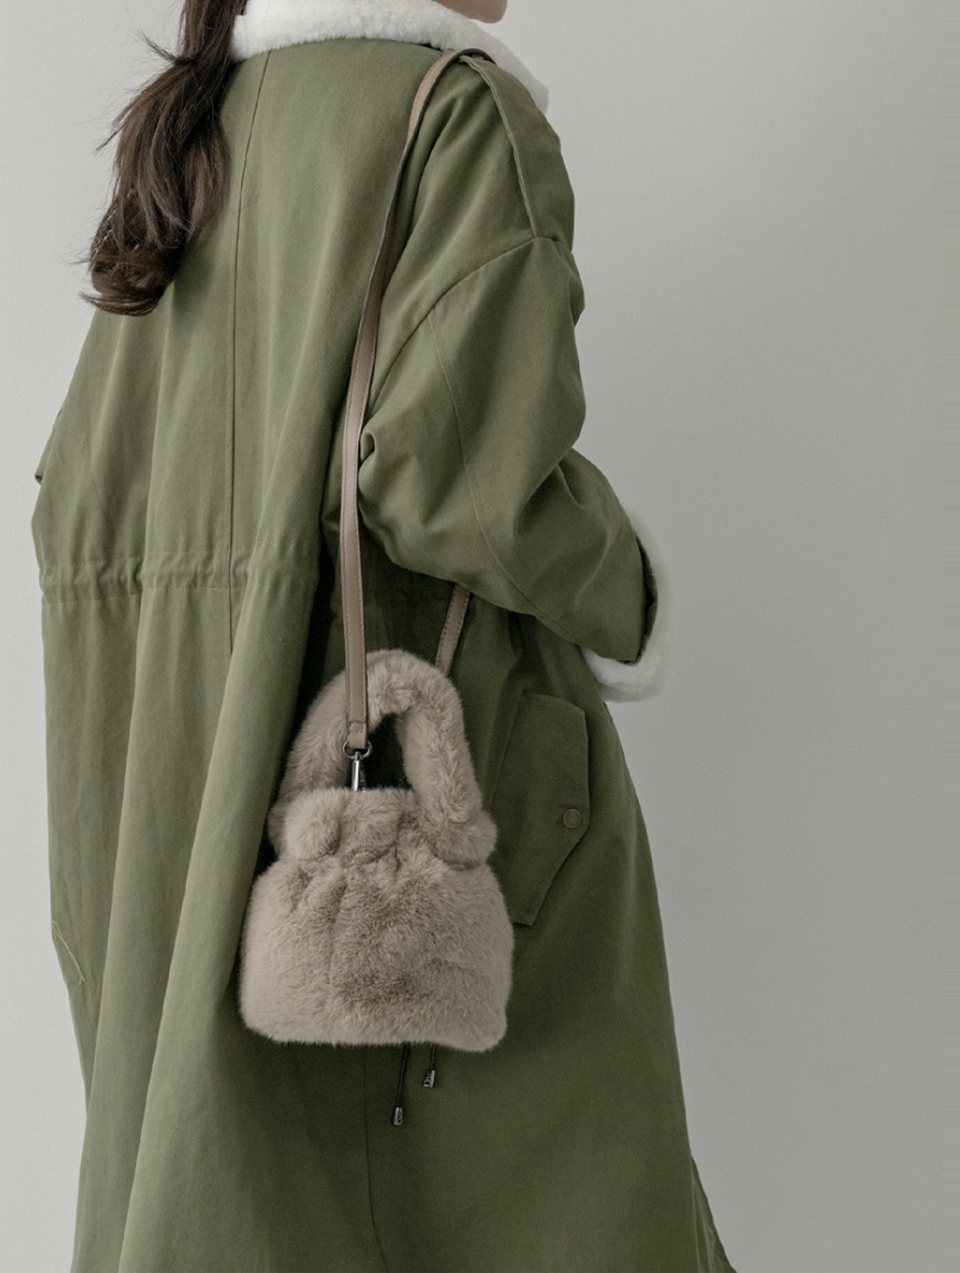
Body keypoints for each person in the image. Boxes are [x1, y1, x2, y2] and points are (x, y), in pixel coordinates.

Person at [30, 1, 737, 1269]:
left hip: (169, 802)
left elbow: (83, 510)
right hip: (423, 827)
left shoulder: (193, 136)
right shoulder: (452, 115)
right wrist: (634, 594)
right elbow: (457, 480)